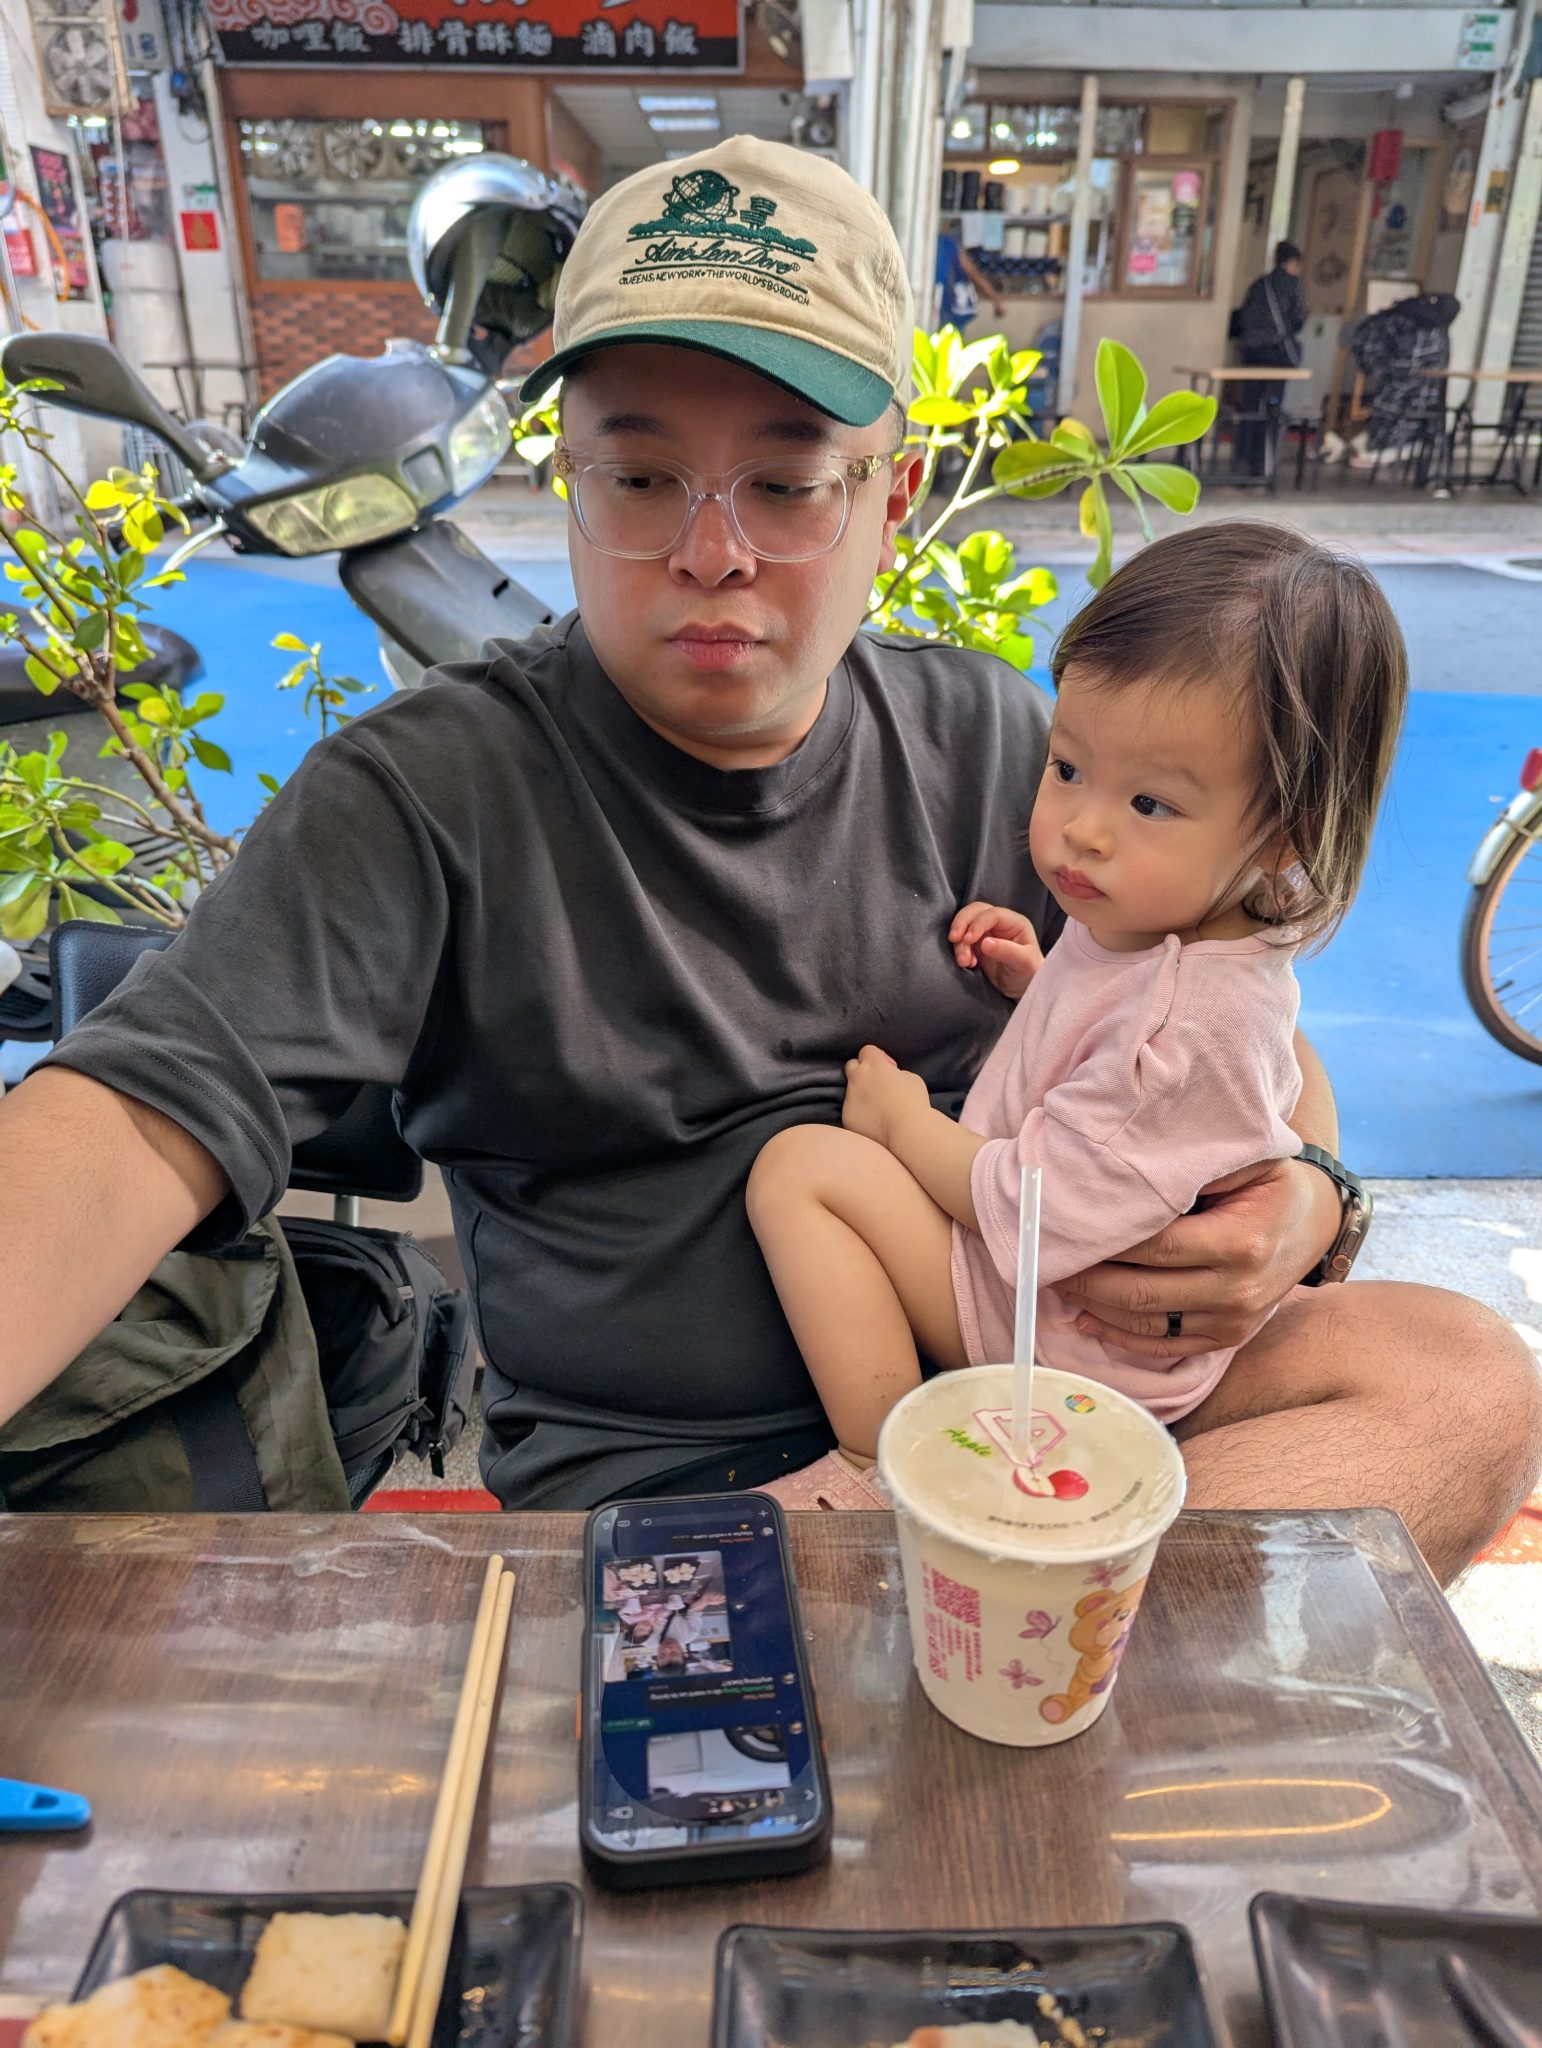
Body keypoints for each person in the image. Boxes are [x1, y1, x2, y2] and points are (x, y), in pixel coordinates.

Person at [0, 137, 1536, 1584]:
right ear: (566, 479)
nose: (711, 554)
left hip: (1024, 1381)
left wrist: (1307, 1200)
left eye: (787, 484)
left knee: (1464, 1384)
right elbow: (129, 1118)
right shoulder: (427, 799)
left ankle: (990, 1619)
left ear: (891, 500)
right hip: (678, 1490)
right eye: (642, 477)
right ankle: (991, 1626)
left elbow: (1227, 1012)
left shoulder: (1002, 748)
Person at [747, 524, 1405, 1502]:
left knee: (803, 1169)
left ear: (1286, 834)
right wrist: (1044, 979)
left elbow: (1032, 1206)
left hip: (1059, 1332)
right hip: (1071, 1297)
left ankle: (879, 1458)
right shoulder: (1174, 927)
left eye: (1150, 804)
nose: (1083, 829)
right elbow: (1123, 1050)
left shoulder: (1181, 1025)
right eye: (1067, 769)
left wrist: (901, 1123)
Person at [1326, 291, 1460, 471]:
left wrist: (1379, 369)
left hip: (1401, 393)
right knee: (1402, 420)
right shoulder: (1434, 329)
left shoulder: (1389, 323)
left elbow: (1377, 361)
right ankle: (1390, 450)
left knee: (1390, 418)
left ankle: (1377, 451)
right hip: (1423, 397)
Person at [1232, 241, 1307, 478]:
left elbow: (1243, 317)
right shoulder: (1292, 286)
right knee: (1272, 408)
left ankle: (1242, 459)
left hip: (1252, 355)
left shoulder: (1259, 285)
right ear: (1292, 262)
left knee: (1250, 406)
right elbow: (1298, 319)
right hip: (1277, 356)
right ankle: (1262, 463)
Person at [936, 218, 1006, 333]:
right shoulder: (949, 245)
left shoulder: (947, 245)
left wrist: (996, 299)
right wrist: (996, 300)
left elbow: (974, 275)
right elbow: (974, 275)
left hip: (944, 309)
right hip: (948, 311)